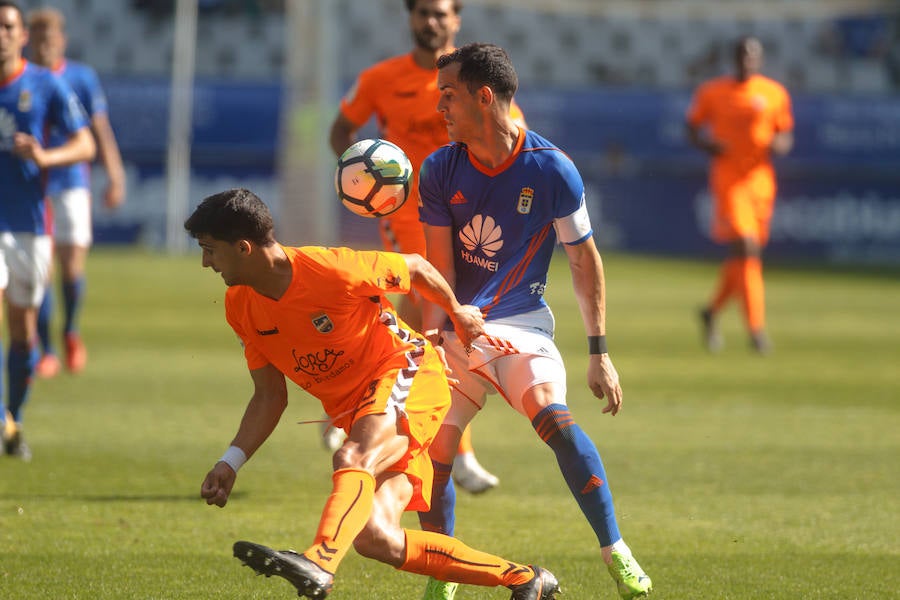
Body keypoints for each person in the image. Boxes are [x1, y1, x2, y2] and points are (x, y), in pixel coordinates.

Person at [185, 188, 560, 600]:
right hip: (364, 408)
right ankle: (526, 579)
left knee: (351, 456)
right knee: (376, 538)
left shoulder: (331, 269)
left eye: (210, 250)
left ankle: (320, 562)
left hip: (408, 374)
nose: (205, 263)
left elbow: (415, 267)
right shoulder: (239, 306)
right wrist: (230, 461)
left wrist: (456, 311)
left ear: (243, 247)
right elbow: (269, 397)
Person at [417, 43, 652, 600]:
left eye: (448, 96)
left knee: (555, 420)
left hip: (521, 324)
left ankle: (615, 549)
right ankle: (443, 574)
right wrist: (439, 328)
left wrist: (599, 351)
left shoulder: (552, 169)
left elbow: (582, 258)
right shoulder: (438, 168)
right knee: (434, 449)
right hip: (457, 325)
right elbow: (437, 269)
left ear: (484, 96)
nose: (440, 108)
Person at [328, 0, 524, 494]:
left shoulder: (478, 78)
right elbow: (340, 130)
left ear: (456, 20)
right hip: (408, 219)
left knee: (420, 335)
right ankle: (456, 455)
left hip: (465, 221)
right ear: (410, 18)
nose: (432, 22)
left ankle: (354, 411)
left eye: (441, 13)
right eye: (423, 12)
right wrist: (367, 181)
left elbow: (511, 133)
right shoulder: (379, 78)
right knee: (441, 329)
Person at [0, 0, 95, 459]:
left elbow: (85, 142)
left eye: (7, 26)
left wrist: (44, 157)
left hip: (29, 227)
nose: (0, 33)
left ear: (21, 37)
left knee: (22, 334)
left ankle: (12, 420)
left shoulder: (45, 86)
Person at [27, 7, 126, 377]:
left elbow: (100, 130)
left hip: (70, 183)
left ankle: (70, 330)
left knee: (70, 266)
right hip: (33, 185)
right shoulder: (22, 79)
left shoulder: (81, 78)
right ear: (27, 41)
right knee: (40, 270)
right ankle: (47, 349)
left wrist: (115, 174)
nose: (44, 47)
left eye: (50, 40)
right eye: (37, 40)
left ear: (61, 42)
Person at [685, 36, 794, 354]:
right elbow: (691, 127)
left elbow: (784, 132)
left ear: (759, 59)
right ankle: (757, 331)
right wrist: (709, 146)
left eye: (753, 56)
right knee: (746, 247)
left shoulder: (773, 93)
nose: (747, 60)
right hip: (729, 179)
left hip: (760, 180)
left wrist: (780, 145)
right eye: (742, 55)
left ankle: (711, 311)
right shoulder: (713, 92)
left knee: (744, 256)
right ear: (734, 59)